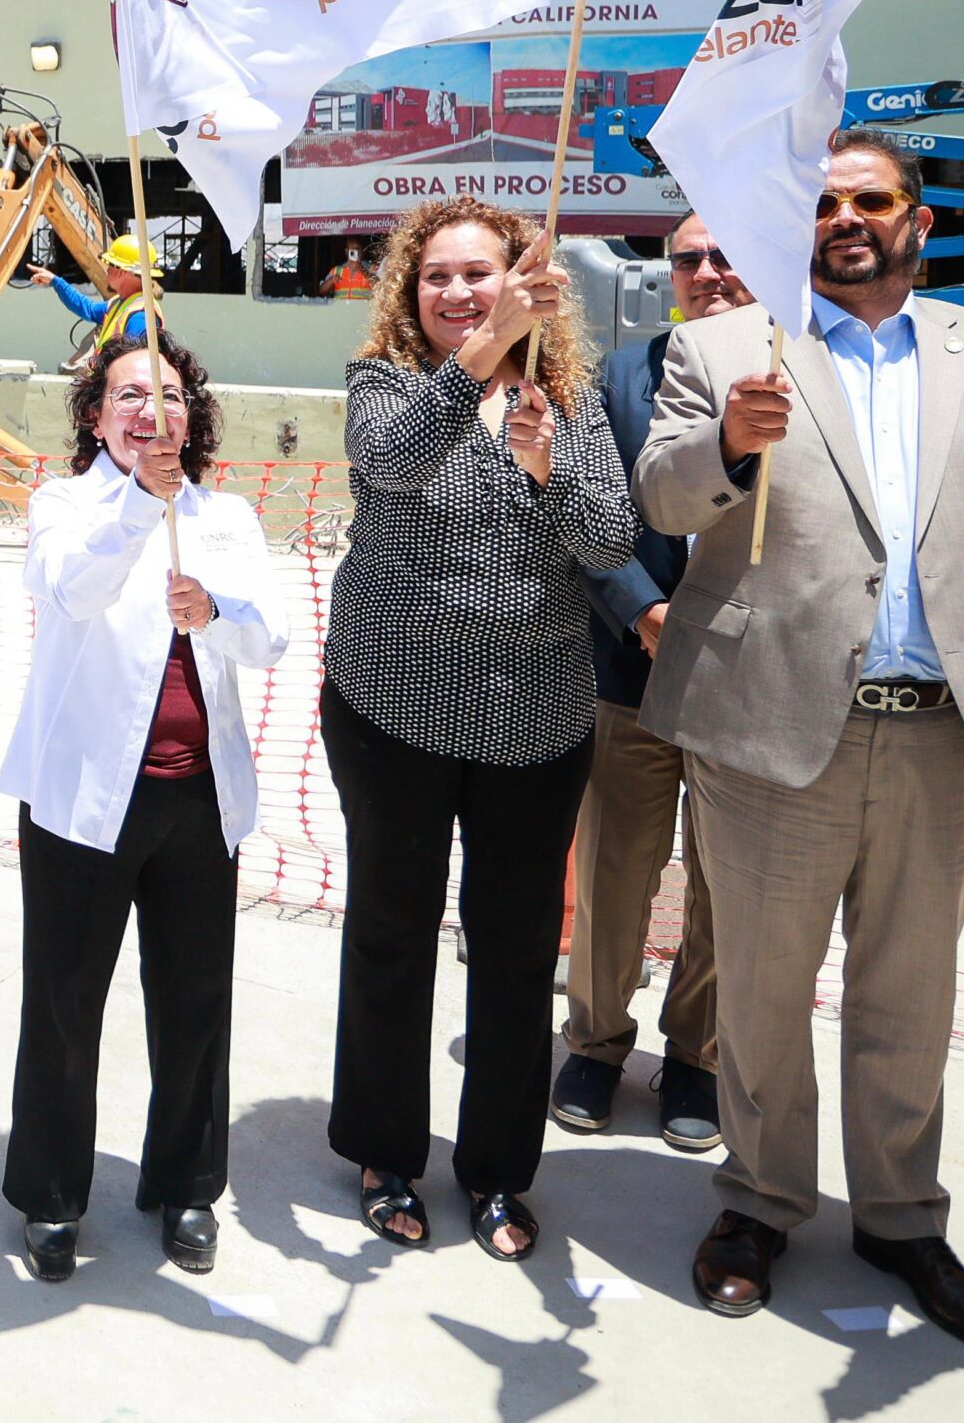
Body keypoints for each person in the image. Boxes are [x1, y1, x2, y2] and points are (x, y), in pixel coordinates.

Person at [637, 131, 964, 1356]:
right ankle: (756, 1201)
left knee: (910, 995)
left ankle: (901, 1215)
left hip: (948, 742)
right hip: (768, 732)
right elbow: (663, 499)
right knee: (755, 986)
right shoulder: (725, 346)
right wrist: (731, 442)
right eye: (824, 201)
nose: (845, 217)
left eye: (872, 199)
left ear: (915, 218)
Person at [321, 196, 637, 1263]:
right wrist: (480, 359)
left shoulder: (571, 399)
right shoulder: (389, 385)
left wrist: (550, 468)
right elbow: (393, 463)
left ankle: (498, 1169)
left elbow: (607, 537)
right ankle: (382, 1147)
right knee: (390, 932)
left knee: (509, 955)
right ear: (410, 293)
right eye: (437, 276)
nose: (456, 291)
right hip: (391, 707)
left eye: (478, 273)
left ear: (520, 279)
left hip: (534, 720)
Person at [0, 332, 286, 1284]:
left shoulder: (229, 517)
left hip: (198, 802)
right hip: (85, 804)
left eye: (167, 396)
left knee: (196, 1001)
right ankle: (51, 1197)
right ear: (94, 416)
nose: (148, 411)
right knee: (65, 1001)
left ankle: (188, 1186)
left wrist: (222, 614)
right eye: (127, 395)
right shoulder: (65, 505)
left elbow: (269, 636)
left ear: (193, 418)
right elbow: (70, 589)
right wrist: (136, 508)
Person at [550, 211, 746, 1150]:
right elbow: (584, 510)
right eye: (689, 259)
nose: (707, 272)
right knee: (617, 873)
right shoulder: (620, 379)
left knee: (726, 886)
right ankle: (593, 1042)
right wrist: (641, 608)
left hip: (756, 690)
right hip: (633, 673)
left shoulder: (814, 382)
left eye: (726, 255)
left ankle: (696, 1059)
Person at [28, 235, 156, 348]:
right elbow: (87, 309)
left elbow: (132, 365)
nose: (107, 269)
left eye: (110, 263)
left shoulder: (140, 316)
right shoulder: (120, 304)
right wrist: (55, 281)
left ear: (123, 271)